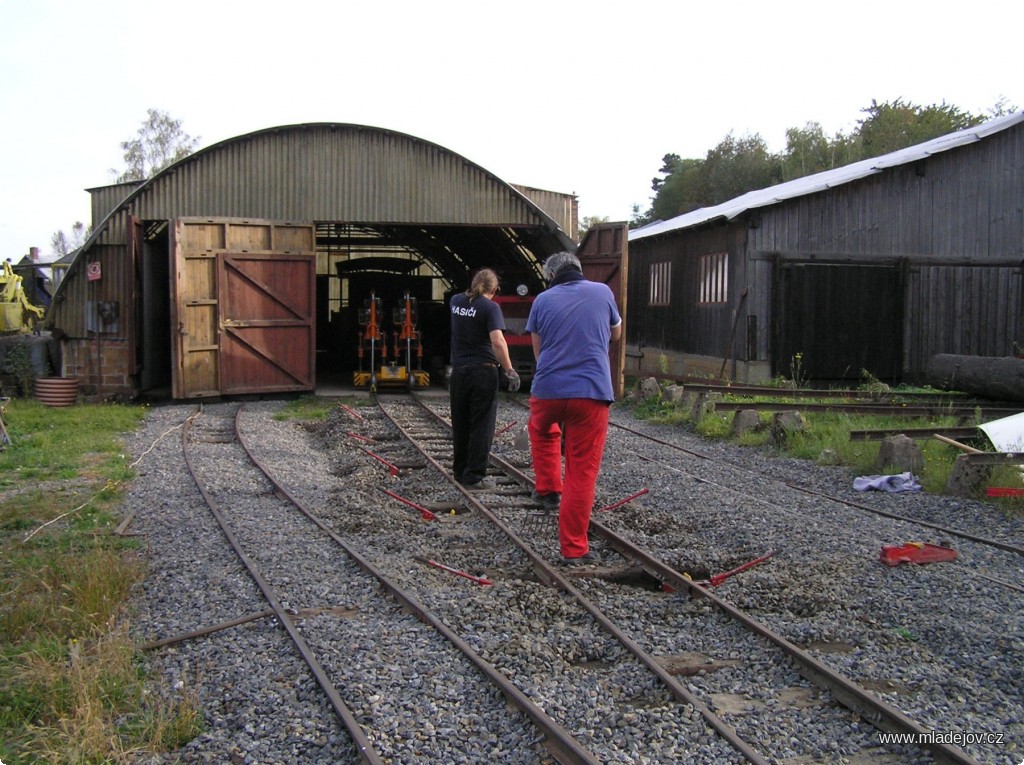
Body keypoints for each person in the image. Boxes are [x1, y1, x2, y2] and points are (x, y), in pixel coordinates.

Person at [526, 251, 622, 563]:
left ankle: (548, 489)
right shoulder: (603, 291)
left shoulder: (542, 300)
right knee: (581, 471)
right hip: (591, 392)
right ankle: (574, 549)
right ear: (579, 269)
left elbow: (538, 349)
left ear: (551, 275)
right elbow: (616, 332)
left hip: (549, 390)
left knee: (542, 431)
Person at [449, 268, 521, 491]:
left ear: (473, 284)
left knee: (460, 421)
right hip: (483, 371)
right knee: (481, 423)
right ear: (495, 289)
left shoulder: (455, 301)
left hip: (459, 371)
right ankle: (474, 476)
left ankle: (460, 471)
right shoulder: (491, 308)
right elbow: (498, 342)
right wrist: (510, 370)